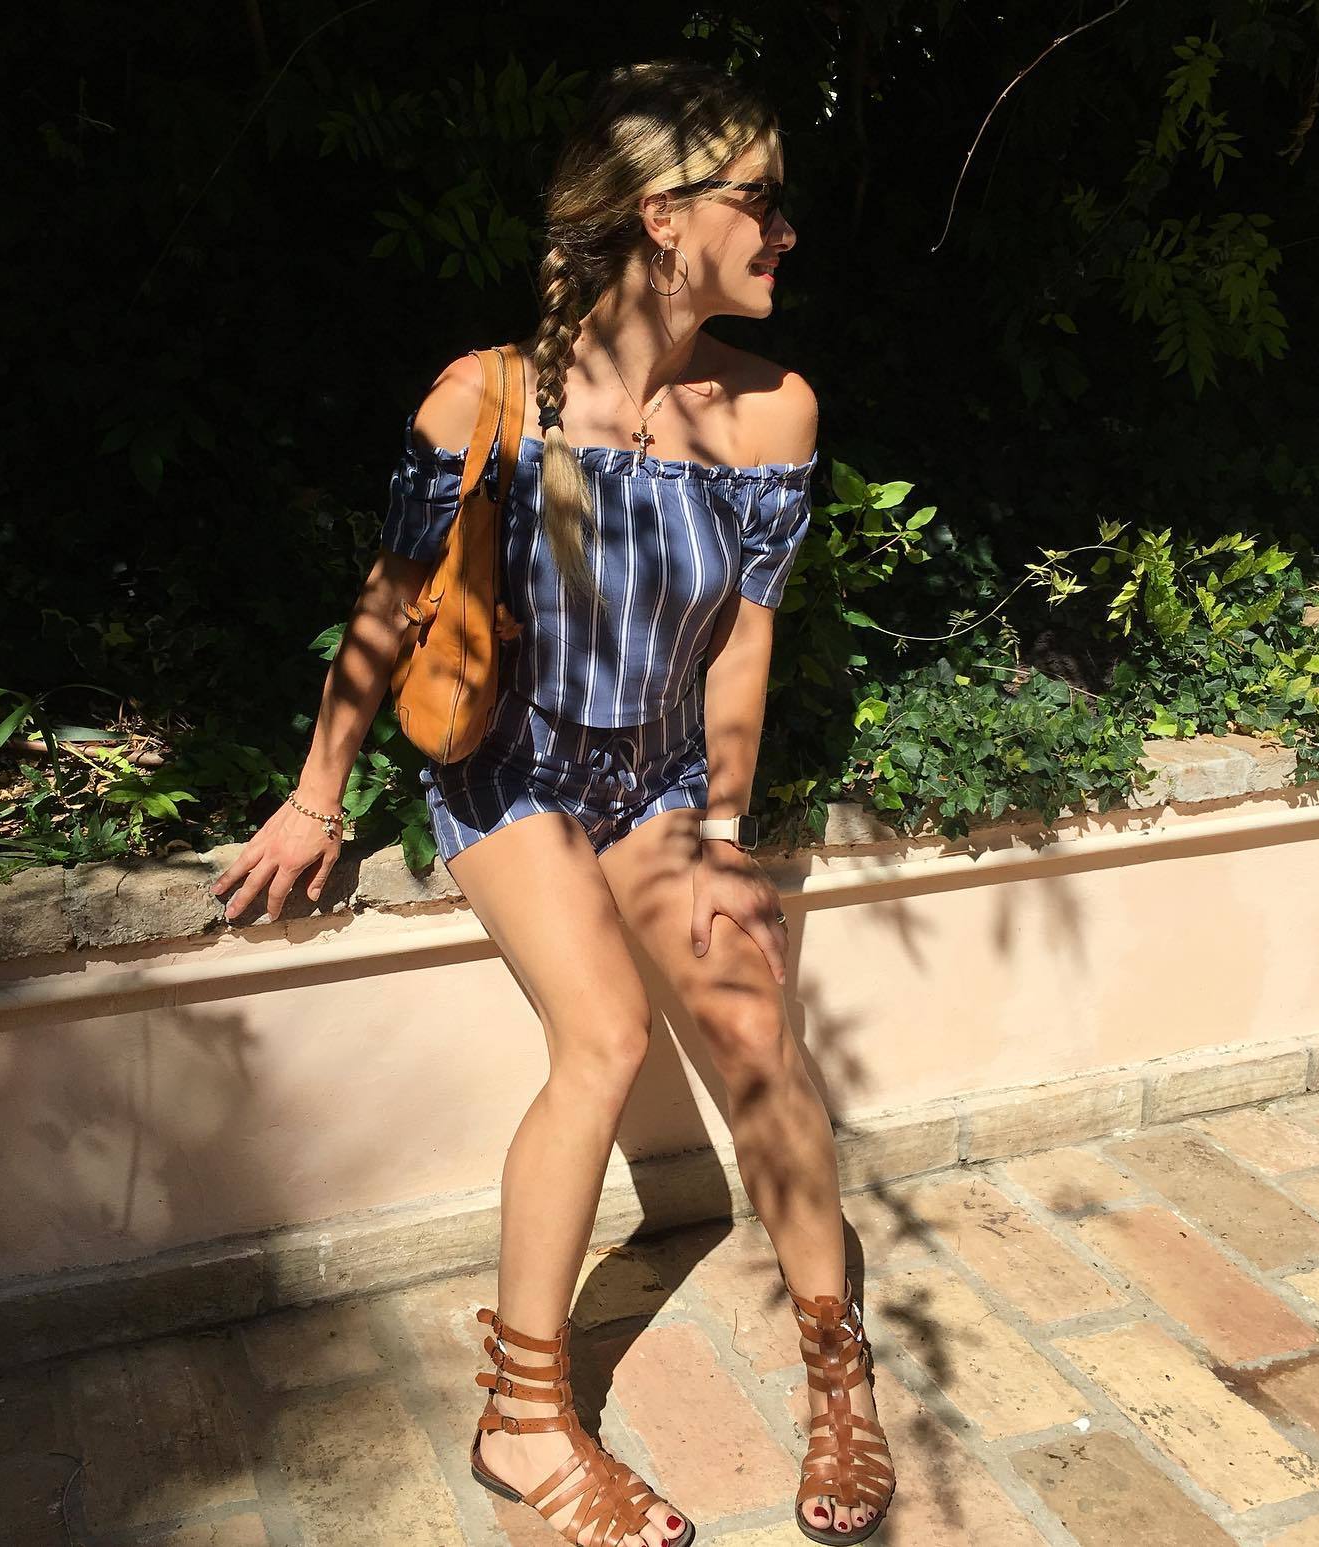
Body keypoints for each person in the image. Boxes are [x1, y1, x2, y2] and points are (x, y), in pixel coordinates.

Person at [211, 57, 895, 1547]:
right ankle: (523, 1422)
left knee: (752, 1030)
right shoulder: (491, 396)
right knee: (605, 1035)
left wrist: (720, 833)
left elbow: (745, 640)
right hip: (508, 768)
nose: (788, 233)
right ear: (663, 215)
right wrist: (316, 800)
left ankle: (837, 1367)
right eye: (763, 201)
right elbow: (389, 605)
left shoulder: (775, 415)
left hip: (659, 780)